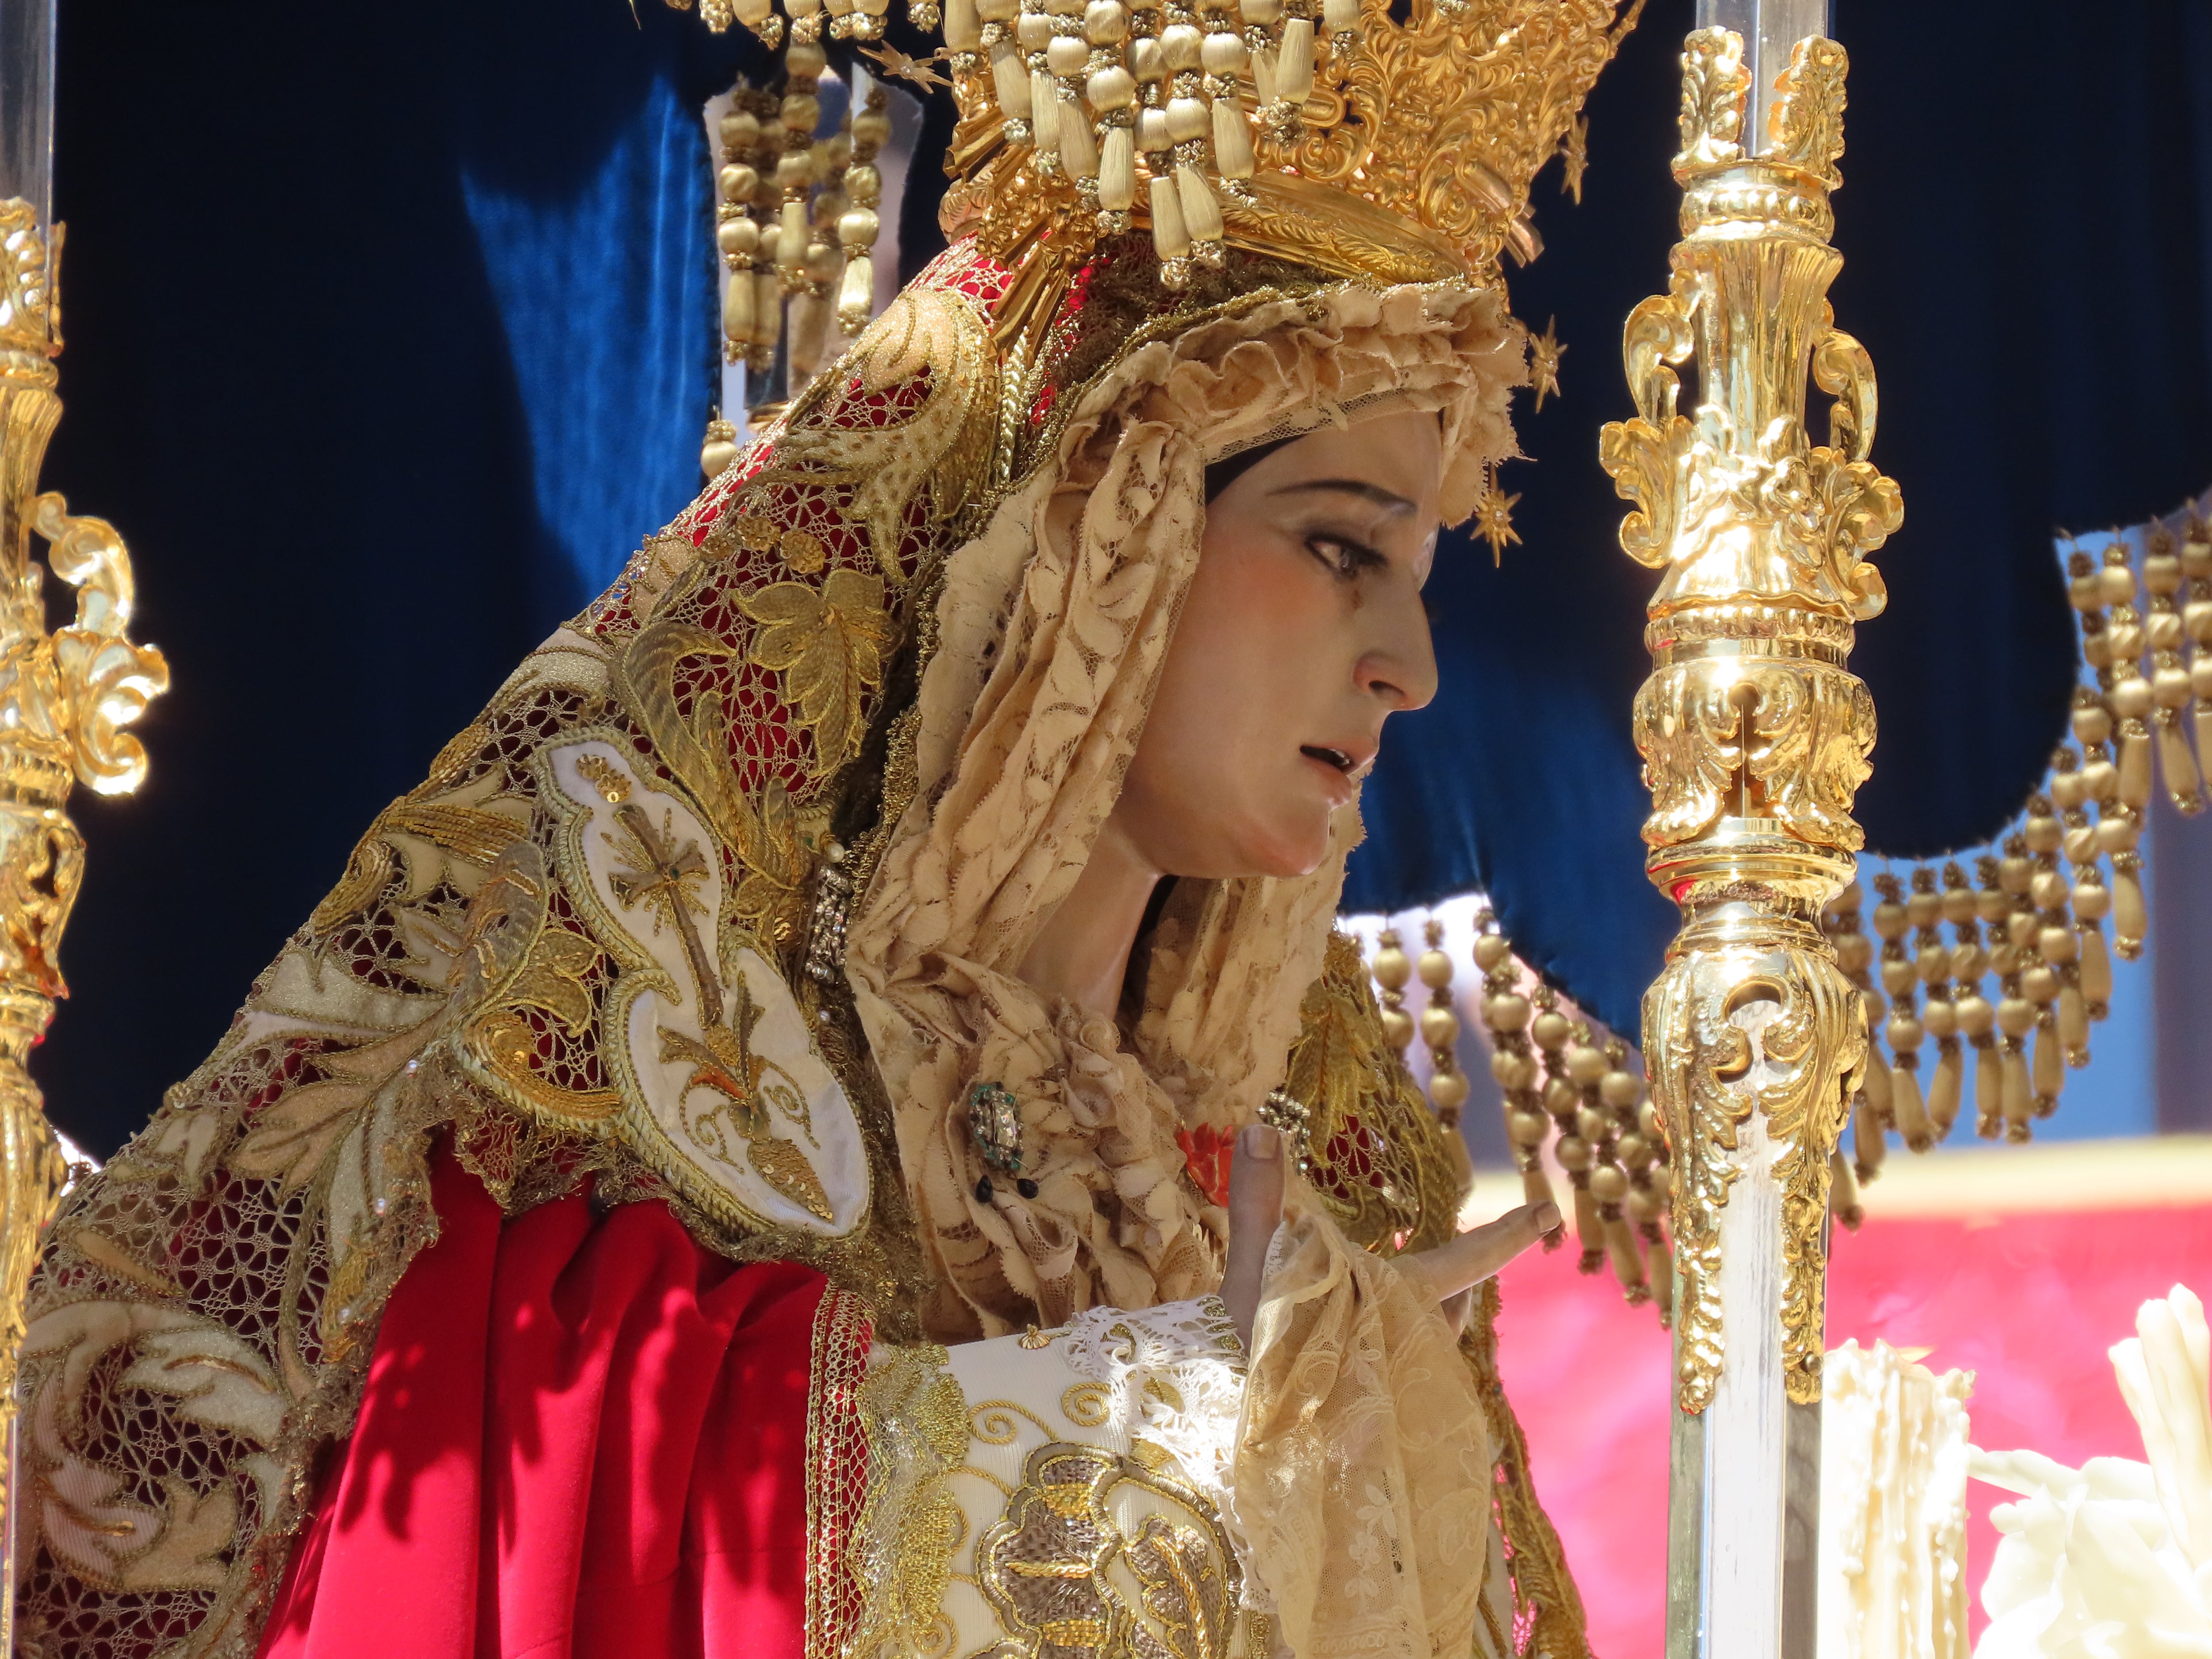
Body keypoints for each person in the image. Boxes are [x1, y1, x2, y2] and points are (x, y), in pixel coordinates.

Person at [11, 3, 1632, 1653]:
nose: (1411, 668)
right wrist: (1162, 1424)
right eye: (1342, 547)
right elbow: (506, 1521)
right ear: (1108, 515)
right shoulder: (646, 1127)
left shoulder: (1309, 1187)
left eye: (1423, 577)